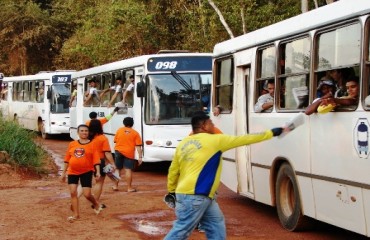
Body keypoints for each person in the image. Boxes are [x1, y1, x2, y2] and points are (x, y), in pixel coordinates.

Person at [164, 112, 286, 239]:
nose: (213, 125)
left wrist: (171, 190)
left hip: (191, 194)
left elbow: (173, 170)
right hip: (197, 196)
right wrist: (272, 133)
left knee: (215, 223)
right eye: (211, 123)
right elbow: (246, 139)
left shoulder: (183, 143)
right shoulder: (216, 140)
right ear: (204, 126)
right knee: (181, 230)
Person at [60, 124, 103, 223]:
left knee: (87, 194)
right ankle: (76, 215)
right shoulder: (72, 144)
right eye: (82, 131)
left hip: (87, 171)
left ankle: (96, 203)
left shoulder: (92, 144)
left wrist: (98, 172)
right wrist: (63, 173)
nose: (84, 132)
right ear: (78, 132)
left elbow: (96, 159)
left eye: (86, 131)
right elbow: (67, 159)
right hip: (72, 172)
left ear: (88, 133)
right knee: (73, 192)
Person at [89, 119, 117, 205]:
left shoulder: (87, 137)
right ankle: (96, 201)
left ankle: (76, 197)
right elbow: (107, 153)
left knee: (85, 182)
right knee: (99, 182)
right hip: (99, 161)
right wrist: (112, 163)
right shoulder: (102, 138)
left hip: (87, 161)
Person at [113, 117, 143, 192]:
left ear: (124, 123)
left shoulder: (119, 130)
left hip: (118, 151)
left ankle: (115, 186)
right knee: (128, 170)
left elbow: (115, 141)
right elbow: (138, 146)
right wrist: (140, 157)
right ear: (132, 123)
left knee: (117, 169)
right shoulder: (135, 133)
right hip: (129, 153)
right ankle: (129, 188)